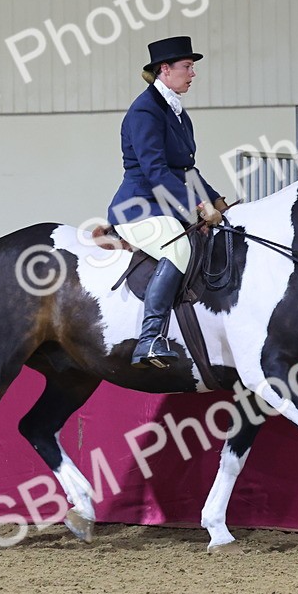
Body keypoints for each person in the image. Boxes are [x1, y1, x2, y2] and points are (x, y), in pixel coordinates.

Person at [107, 36, 227, 369]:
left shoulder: (177, 113)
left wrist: (216, 199)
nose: (192, 73)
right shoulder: (145, 111)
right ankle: (150, 338)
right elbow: (156, 171)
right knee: (178, 247)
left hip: (165, 205)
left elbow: (188, 169)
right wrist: (198, 208)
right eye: (187, 67)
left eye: (192, 67)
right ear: (165, 69)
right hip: (137, 208)